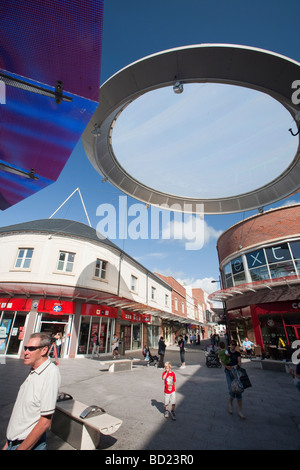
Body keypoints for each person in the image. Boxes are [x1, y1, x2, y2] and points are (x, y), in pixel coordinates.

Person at [2, 332, 61, 450]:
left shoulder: (50, 373)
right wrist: (8, 444)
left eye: (31, 349)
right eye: (26, 348)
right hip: (12, 443)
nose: (26, 352)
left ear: (44, 350)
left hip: (27, 445)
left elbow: (45, 421)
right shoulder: (34, 371)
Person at [219, 339, 245, 419]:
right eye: (232, 344)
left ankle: (240, 411)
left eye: (234, 345)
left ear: (235, 345)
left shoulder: (237, 353)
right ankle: (230, 403)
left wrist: (235, 366)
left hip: (236, 372)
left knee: (238, 390)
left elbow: (239, 363)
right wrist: (226, 366)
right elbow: (222, 361)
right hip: (228, 372)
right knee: (231, 389)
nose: (233, 346)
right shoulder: (226, 352)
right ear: (230, 344)